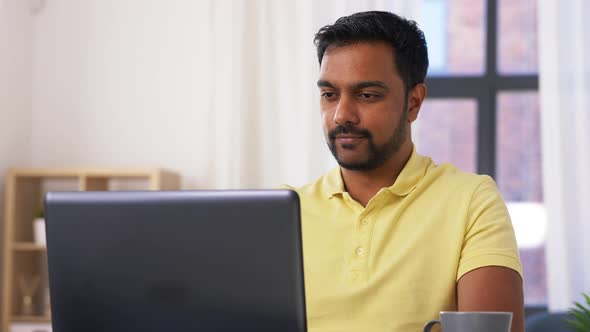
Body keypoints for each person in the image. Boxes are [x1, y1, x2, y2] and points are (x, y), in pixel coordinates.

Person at [289, 11, 524, 332]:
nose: (342, 114)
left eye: (366, 95)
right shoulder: (287, 211)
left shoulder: (471, 201)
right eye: (329, 95)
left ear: (413, 102)